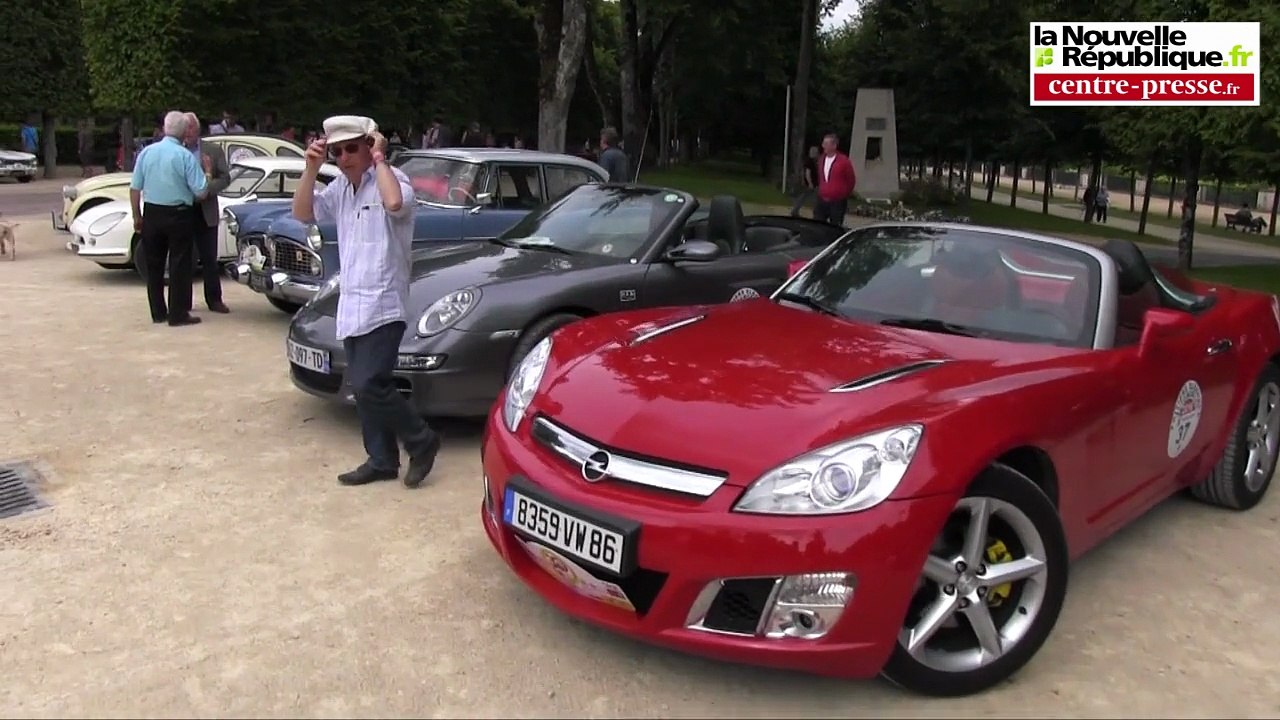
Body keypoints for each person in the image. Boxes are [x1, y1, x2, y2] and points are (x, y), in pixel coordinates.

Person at [291, 115, 442, 488]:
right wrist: (310, 168)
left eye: (351, 149)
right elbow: (302, 212)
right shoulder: (340, 189)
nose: (344, 158)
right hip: (353, 301)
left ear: (368, 145)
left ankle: (422, 440)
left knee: (371, 382)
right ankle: (381, 458)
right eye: (337, 151)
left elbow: (394, 204)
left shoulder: (392, 180)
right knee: (362, 387)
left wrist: (379, 159)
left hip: (385, 301)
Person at [129, 111, 210, 326]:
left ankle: (158, 311)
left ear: (165, 128)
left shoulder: (147, 153)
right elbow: (201, 192)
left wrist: (137, 215)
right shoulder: (184, 156)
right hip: (179, 214)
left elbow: (135, 187)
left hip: (152, 212)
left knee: (153, 265)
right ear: (184, 132)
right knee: (179, 264)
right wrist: (208, 174)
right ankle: (178, 313)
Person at [183, 112, 232, 313]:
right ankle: (183, 302)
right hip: (184, 209)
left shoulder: (212, 150)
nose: (186, 133)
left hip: (206, 209)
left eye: (189, 128)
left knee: (209, 258)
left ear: (197, 129)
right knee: (184, 258)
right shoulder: (177, 151)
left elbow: (226, 178)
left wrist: (208, 189)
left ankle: (214, 299)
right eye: (183, 129)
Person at [813, 133, 855, 226]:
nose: (823, 146)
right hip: (822, 199)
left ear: (834, 145)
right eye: (823, 143)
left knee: (835, 226)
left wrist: (843, 193)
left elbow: (851, 179)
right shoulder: (821, 160)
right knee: (817, 224)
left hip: (837, 201)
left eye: (826, 144)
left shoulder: (843, 161)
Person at [790, 145, 819, 217]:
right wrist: (810, 183)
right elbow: (807, 173)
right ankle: (795, 211)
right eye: (816, 152)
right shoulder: (810, 162)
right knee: (810, 198)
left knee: (804, 197)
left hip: (812, 183)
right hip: (810, 184)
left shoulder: (812, 161)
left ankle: (795, 210)